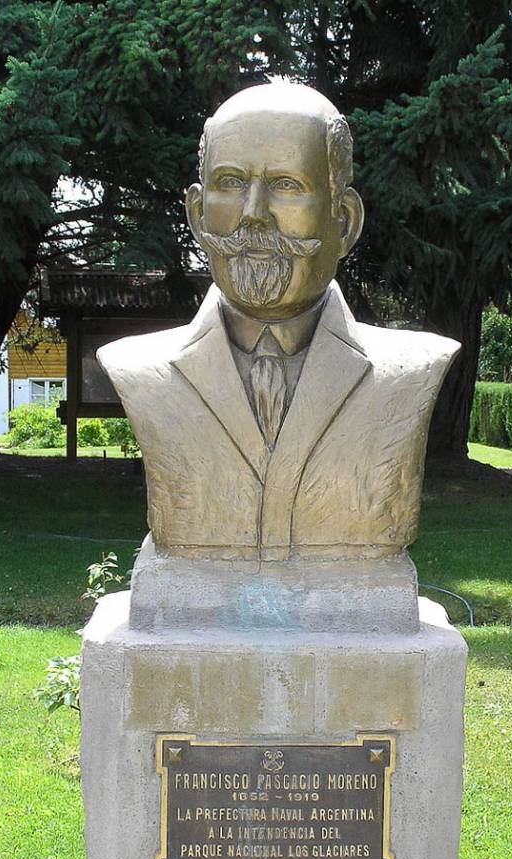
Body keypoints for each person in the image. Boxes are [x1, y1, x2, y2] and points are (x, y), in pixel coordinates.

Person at [98, 83, 459, 562]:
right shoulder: (138, 368)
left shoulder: (412, 371)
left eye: (287, 186)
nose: (254, 216)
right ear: (196, 212)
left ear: (345, 221)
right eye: (230, 183)